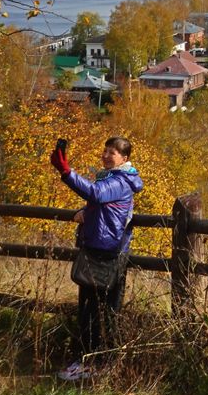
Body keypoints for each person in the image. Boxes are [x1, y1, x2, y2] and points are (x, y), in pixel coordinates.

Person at [50, 136, 143, 381]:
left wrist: (66, 172)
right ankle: (86, 362)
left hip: (110, 253)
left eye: (111, 152)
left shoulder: (121, 181)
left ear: (124, 158)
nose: (105, 155)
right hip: (96, 249)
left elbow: (96, 193)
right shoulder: (110, 178)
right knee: (88, 311)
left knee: (106, 312)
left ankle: (102, 364)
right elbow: (99, 204)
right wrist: (85, 212)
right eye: (105, 151)